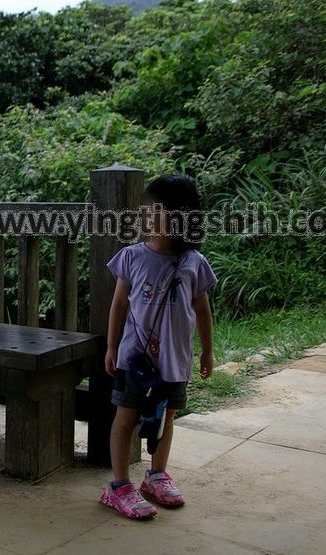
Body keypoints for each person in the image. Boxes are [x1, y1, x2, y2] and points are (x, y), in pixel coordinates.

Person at [99, 174, 217, 519]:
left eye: (157, 212)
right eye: (146, 212)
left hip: (175, 361)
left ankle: (156, 475)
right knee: (126, 417)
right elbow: (118, 305)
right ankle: (119, 486)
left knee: (166, 416)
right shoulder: (132, 257)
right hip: (135, 360)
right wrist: (110, 347)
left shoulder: (194, 262)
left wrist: (207, 350)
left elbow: (202, 309)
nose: (148, 218)